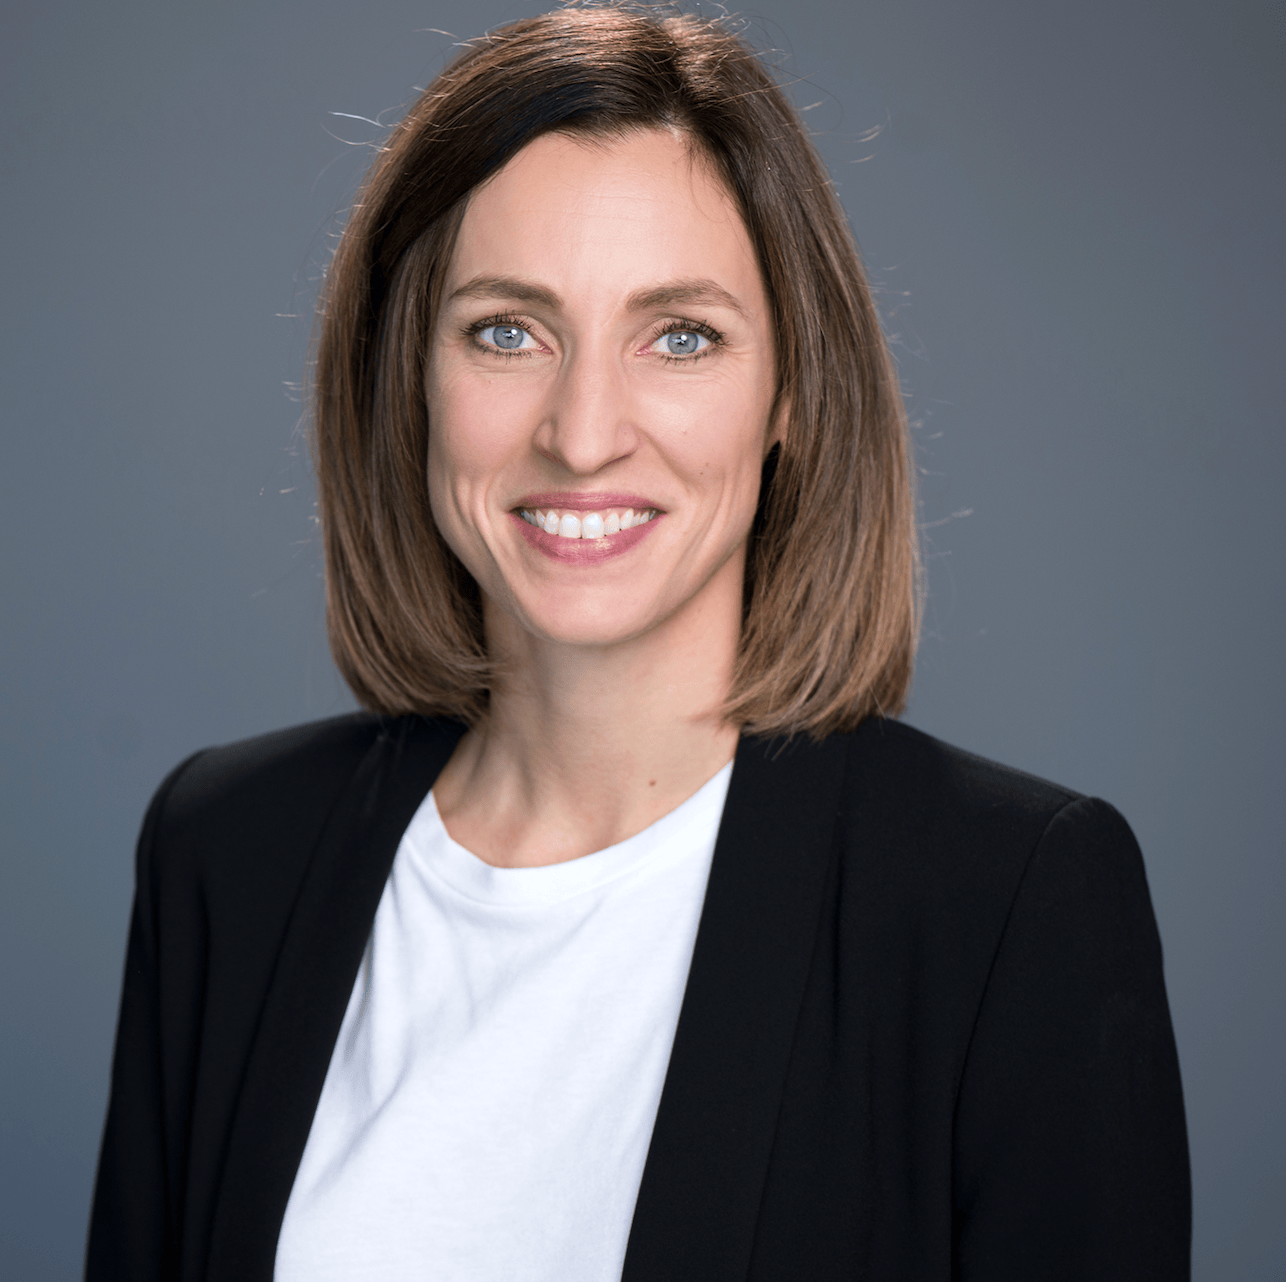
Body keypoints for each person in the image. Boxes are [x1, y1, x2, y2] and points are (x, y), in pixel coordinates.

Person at [85, 5, 1190, 1279]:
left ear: (787, 394)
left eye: (680, 335)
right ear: (409, 374)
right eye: (507, 329)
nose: (584, 429)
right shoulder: (226, 853)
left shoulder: (1003, 906)